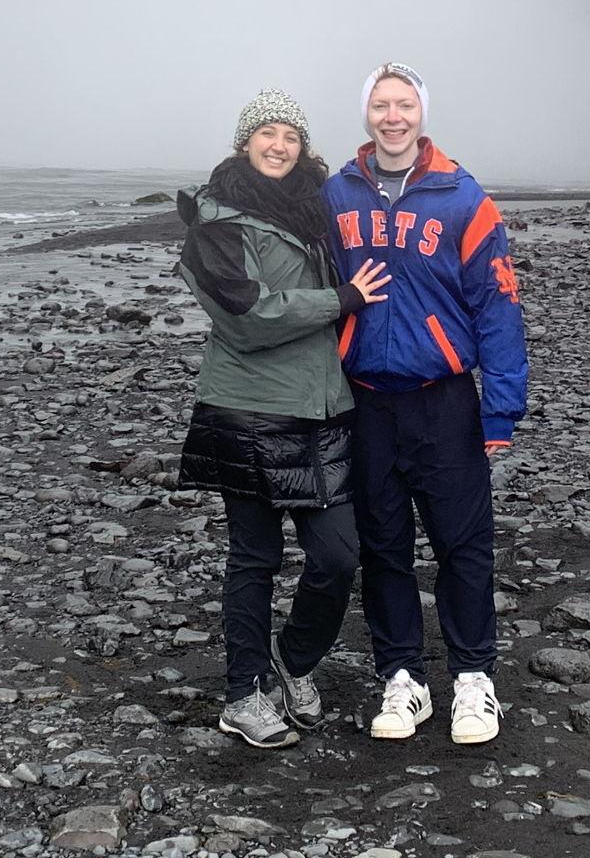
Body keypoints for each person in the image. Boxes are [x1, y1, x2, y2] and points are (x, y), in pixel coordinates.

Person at [176, 89, 391, 748]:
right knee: (255, 559)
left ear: (303, 146)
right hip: (249, 410)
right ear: (245, 144)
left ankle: (292, 659)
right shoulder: (214, 222)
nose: (279, 145)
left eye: (290, 136)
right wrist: (341, 299)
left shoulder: (316, 212)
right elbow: (246, 317)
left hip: (323, 408)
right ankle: (243, 694)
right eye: (266, 133)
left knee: (338, 556)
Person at [326, 63, 528, 746]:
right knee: (382, 545)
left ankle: (474, 680)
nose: (392, 117)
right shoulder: (335, 196)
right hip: (366, 401)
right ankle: (402, 679)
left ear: (420, 114)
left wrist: (501, 409)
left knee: (462, 545)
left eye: (403, 105)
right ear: (366, 116)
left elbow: (498, 306)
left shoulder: (463, 199)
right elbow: (312, 293)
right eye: (380, 105)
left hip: (443, 401)